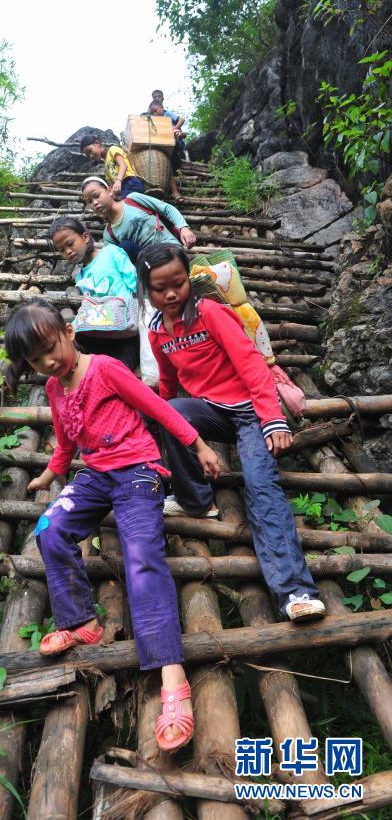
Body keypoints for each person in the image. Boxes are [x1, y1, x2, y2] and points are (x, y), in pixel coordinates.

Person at [2, 297, 222, 751]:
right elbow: (66, 443)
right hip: (96, 475)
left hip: (139, 471)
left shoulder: (105, 368)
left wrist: (199, 445)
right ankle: (81, 621)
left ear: (68, 332)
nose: (48, 362)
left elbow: (160, 409)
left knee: (142, 558)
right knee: (49, 530)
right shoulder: (55, 388)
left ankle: (172, 678)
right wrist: (49, 474)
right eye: (35, 359)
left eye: (50, 348)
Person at [138, 243, 327, 623]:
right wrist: (163, 430)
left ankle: (296, 591)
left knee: (261, 487)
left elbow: (251, 363)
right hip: (213, 412)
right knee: (169, 412)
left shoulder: (210, 312)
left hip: (251, 412)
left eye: (178, 283)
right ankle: (195, 501)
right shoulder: (158, 331)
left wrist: (272, 418)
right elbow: (169, 385)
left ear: (188, 279)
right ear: (147, 290)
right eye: (160, 288)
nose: (171, 294)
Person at [48, 216, 139, 373]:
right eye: (61, 250)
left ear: (85, 237)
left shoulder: (112, 252)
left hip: (125, 331)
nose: (68, 252)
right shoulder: (80, 276)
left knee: (121, 372)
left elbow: (134, 281)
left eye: (70, 244)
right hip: (99, 334)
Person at [80, 177, 195, 265]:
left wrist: (184, 228)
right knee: (125, 247)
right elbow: (117, 262)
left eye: (97, 195)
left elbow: (166, 208)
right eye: (89, 201)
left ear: (109, 191)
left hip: (173, 251)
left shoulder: (133, 200)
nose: (95, 203)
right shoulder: (109, 234)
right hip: (152, 265)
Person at [80, 134, 145, 199]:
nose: (91, 156)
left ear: (97, 143)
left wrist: (118, 180)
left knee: (124, 203)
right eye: (88, 155)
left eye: (90, 151)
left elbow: (123, 165)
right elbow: (112, 185)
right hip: (123, 188)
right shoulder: (106, 169)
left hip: (130, 182)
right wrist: (111, 193)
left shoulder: (112, 150)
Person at [147, 100, 186, 200]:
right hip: (166, 147)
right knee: (167, 162)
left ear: (161, 108)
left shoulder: (167, 114)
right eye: (152, 112)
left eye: (156, 110)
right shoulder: (155, 122)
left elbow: (181, 120)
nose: (155, 113)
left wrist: (174, 129)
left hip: (175, 143)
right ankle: (174, 191)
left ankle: (174, 191)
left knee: (177, 136)